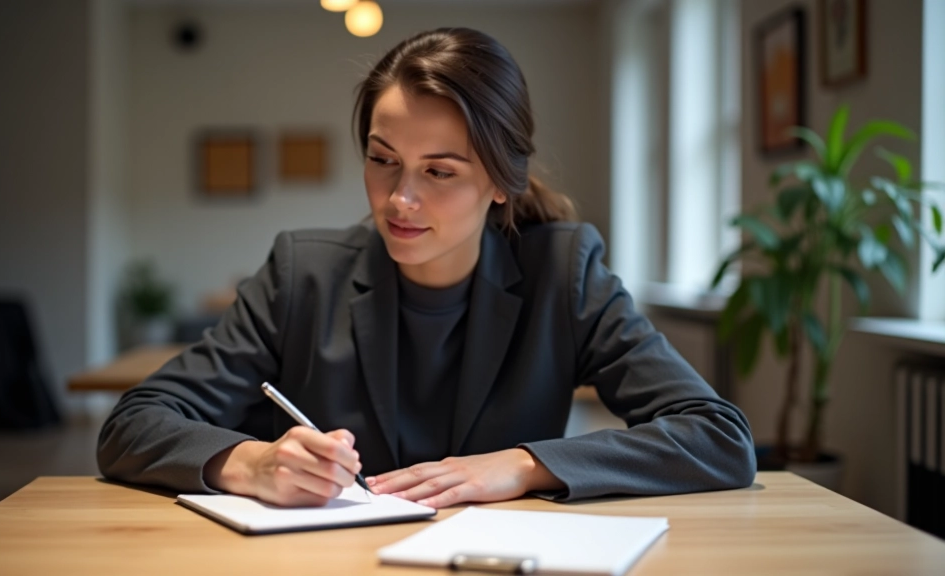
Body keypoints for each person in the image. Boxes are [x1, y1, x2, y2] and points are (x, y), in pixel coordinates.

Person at [97, 27, 755, 509]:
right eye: (383, 161)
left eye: (439, 171)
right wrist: (251, 462)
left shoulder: (564, 270)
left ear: (501, 180)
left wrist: (525, 465)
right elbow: (134, 423)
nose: (399, 200)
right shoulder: (303, 274)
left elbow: (718, 436)